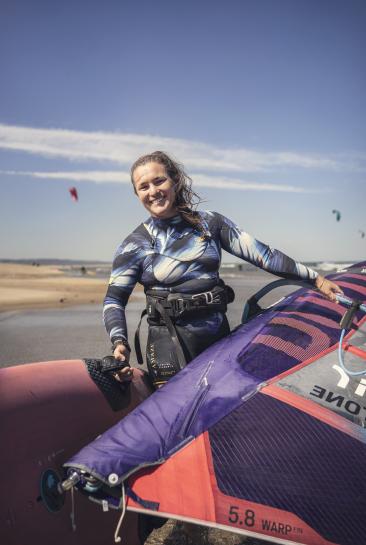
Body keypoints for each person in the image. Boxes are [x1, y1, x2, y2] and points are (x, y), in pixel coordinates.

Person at [103, 150, 343, 388]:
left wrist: (316, 279)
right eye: (143, 187)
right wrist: (119, 342)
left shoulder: (210, 224)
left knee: (222, 411)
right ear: (137, 194)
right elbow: (114, 299)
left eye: (159, 181)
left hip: (218, 338)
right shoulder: (134, 245)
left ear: (174, 180)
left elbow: (263, 255)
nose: (153, 191)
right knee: (180, 421)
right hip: (168, 346)